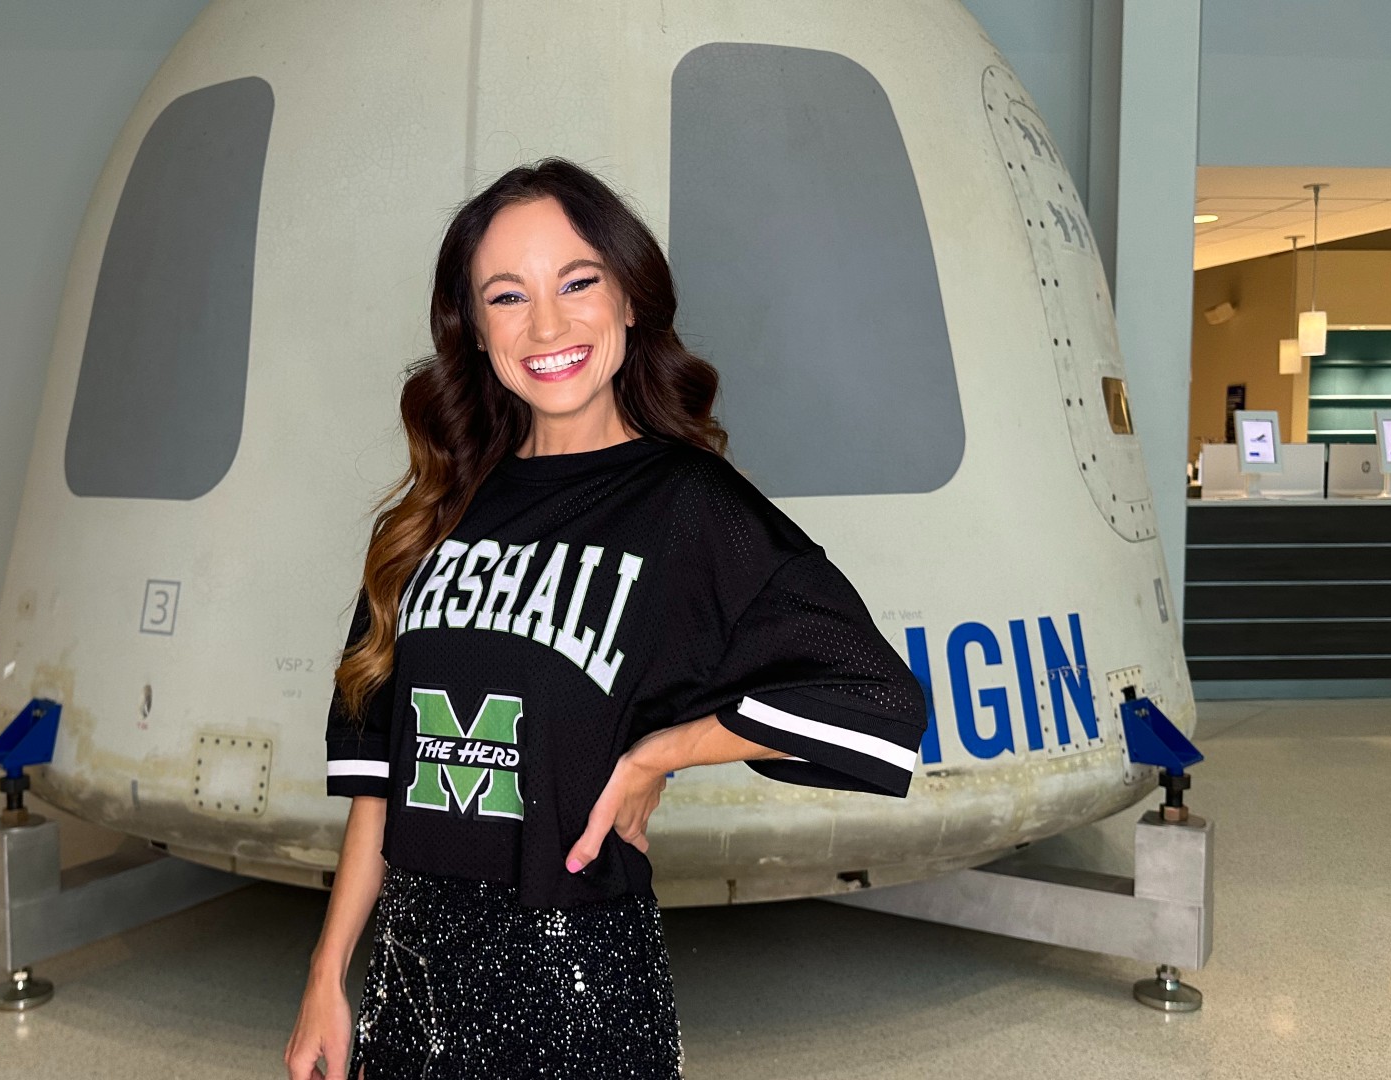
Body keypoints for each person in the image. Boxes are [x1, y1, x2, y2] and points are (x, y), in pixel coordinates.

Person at [284, 158, 929, 1080]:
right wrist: (325, 975)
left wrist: (660, 751)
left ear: (630, 299)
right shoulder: (434, 516)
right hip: (408, 986)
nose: (547, 325)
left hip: (578, 993)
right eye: (508, 297)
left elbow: (877, 701)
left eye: (578, 282)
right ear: (474, 334)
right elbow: (383, 777)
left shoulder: (688, 507)